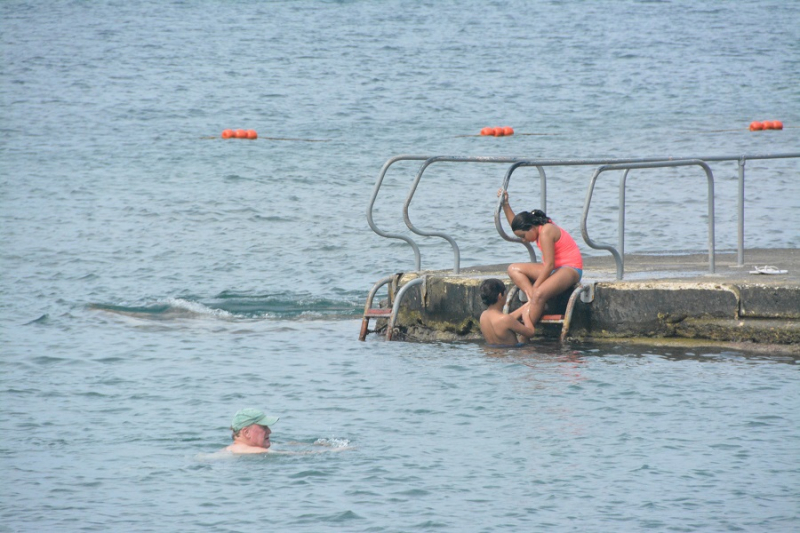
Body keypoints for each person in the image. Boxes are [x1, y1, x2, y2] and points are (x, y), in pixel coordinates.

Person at [499, 190, 583, 325]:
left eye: (523, 236)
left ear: (531, 228)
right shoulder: (534, 229)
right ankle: (533, 300)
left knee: (539, 294)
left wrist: (537, 287)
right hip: (554, 270)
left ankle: (525, 334)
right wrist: (505, 205)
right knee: (513, 269)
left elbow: (550, 265)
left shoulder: (546, 231)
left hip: (570, 269)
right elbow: (516, 225)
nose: (524, 240)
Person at [479, 278, 536, 346]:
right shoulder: (506, 319)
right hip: (512, 352)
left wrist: (529, 303)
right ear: (500, 296)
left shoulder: (483, 316)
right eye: (505, 292)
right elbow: (531, 332)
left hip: (492, 353)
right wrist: (526, 317)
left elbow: (504, 321)